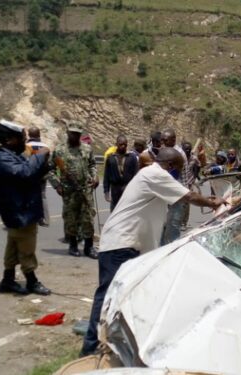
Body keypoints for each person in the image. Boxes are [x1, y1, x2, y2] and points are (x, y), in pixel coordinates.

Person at [80, 147, 223, 357]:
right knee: (108, 295)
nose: (177, 174)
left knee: (128, 295)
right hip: (121, 243)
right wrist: (212, 202)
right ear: (172, 166)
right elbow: (189, 195)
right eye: (179, 169)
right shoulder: (155, 174)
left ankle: (116, 342)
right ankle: (90, 346)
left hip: (128, 243)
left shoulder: (151, 174)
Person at [0, 120, 52, 296]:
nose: (25, 142)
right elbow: (24, 173)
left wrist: (43, 162)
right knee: (26, 247)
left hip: (20, 210)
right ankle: (31, 281)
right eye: (22, 138)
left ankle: (7, 280)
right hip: (20, 212)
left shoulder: (12, 156)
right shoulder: (3, 158)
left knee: (13, 246)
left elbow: (32, 172)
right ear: (10, 140)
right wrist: (40, 155)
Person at [50, 122, 98, 259]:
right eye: (72, 133)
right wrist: (57, 185)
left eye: (77, 133)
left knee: (88, 218)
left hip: (85, 190)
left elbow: (92, 165)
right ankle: (73, 245)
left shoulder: (87, 149)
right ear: (67, 132)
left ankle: (89, 247)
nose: (74, 135)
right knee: (71, 218)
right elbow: (50, 169)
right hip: (69, 191)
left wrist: (94, 177)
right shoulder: (60, 150)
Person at [159, 129, 187, 245]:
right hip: (164, 194)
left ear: (173, 140)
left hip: (176, 195)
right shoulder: (164, 151)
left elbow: (180, 177)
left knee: (174, 225)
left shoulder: (178, 154)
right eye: (162, 140)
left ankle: (173, 250)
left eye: (165, 140)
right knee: (162, 225)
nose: (163, 142)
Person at [103, 135, 138, 212]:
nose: (123, 146)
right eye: (121, 144)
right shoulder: (110, 158)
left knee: (127, 212)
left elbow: (136, 175)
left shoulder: (132, 157)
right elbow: (106, 176)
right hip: (115, 189)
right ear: (116, 144)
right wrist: (106, 192)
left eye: (125, 144)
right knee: (114, 212)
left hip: (128, 188)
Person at [25, 127, 51, 227]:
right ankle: (45, 219)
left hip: (31, 174)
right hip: (43, 175)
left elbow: (26, 160)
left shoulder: (27, 146)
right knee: (42, 196)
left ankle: (31, 218)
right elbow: (49, 161)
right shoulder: (45, 146)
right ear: (39, 135)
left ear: (29, 135)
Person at [180, 141, 201, 230]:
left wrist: (195, 176)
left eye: (189, 149)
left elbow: (199, 165)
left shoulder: (194, 158)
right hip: (181, 182)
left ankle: (184, 223)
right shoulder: (180, 157)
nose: (187, 150)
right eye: (185, 149)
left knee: (187, 203)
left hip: (189, 182)